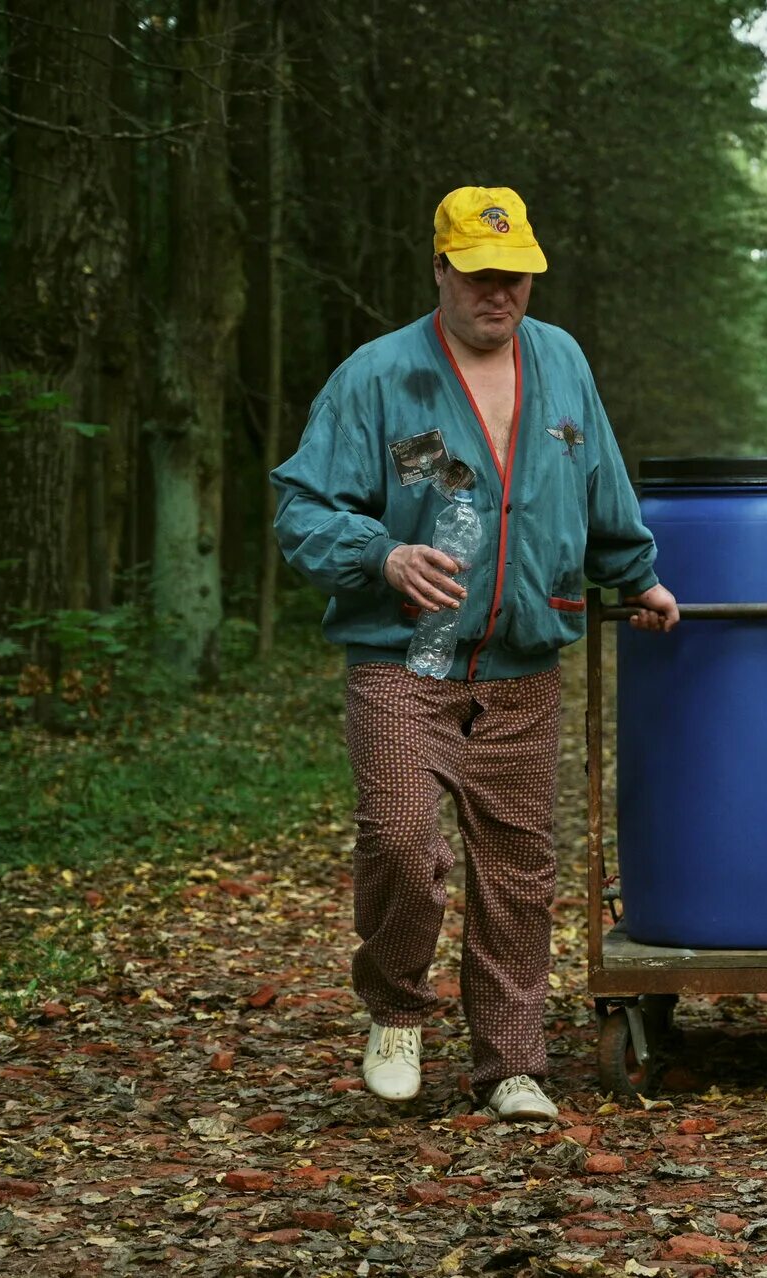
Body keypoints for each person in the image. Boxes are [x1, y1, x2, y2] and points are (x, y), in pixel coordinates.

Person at [273, 185, 678, 1121]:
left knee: (517, 872)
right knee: (402, 842)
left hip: (523, 661)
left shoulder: (561, 360)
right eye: (480, 275)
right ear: (440, 268)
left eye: (516, 277)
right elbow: (303, 508)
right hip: (403, 659)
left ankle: (511, 1065)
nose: (500, 294)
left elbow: (600, 482)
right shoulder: (378, 376)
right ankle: (396, 1011)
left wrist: (638, 576)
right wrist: (381, 554)